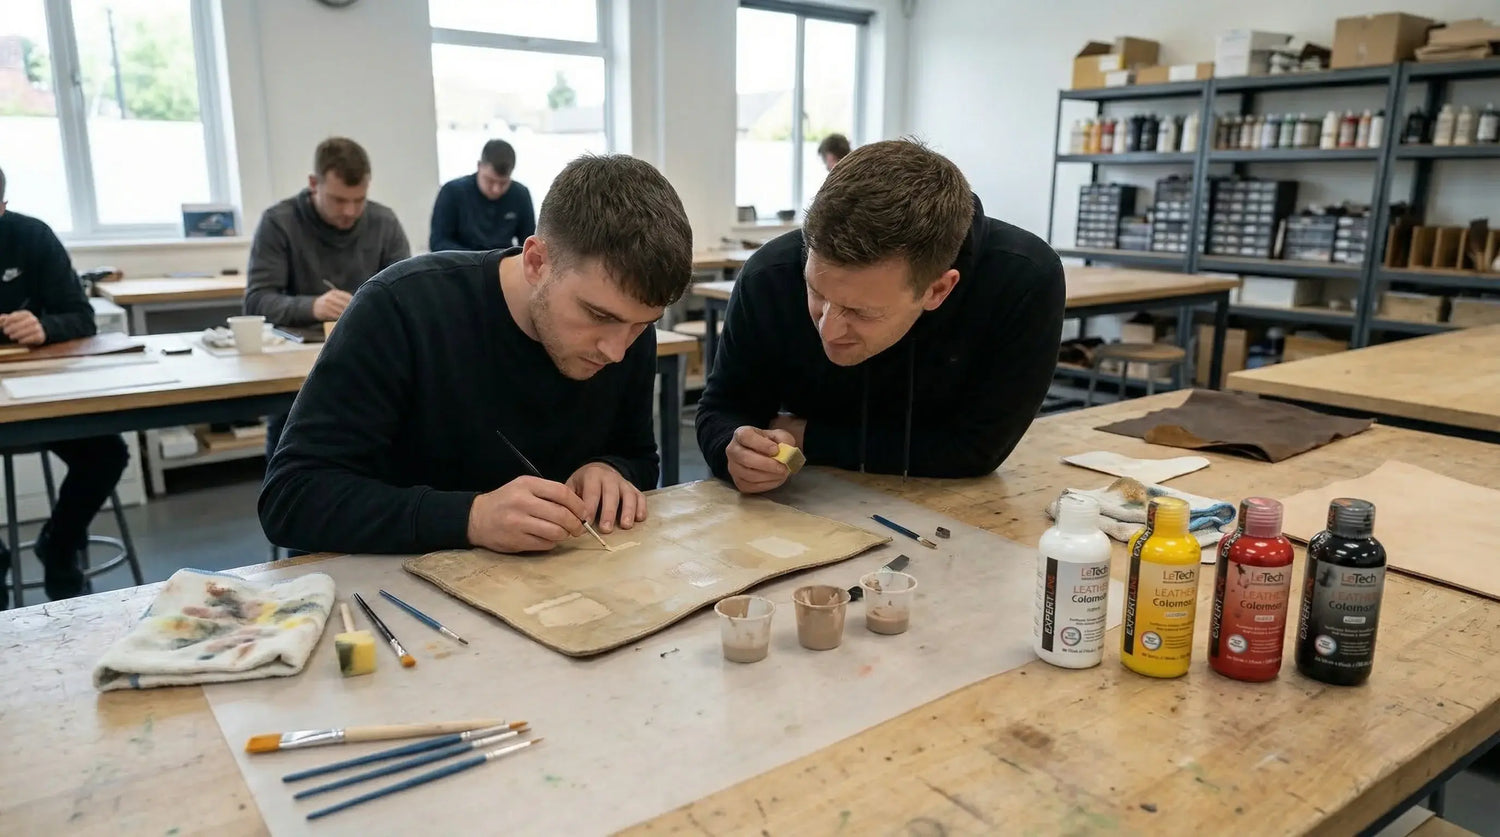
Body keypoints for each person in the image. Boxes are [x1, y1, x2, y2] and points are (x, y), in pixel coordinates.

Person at [259, 154, 694, 556]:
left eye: (643, 325)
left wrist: (611, 470)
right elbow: (292, 497)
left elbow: (637, 455)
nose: (617, 351)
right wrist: (471, 518)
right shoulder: (402, 308)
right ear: (536, 262)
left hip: (550, 593)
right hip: (397, 597)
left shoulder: (624, 328)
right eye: (597, 314)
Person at [695, 139, 1066, 494]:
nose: (829, 328)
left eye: (860, 311)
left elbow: (975, 449)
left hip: (946, 505)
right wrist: (733, 449)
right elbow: (723, 408)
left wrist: (808, 436)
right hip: (802, 503)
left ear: (938, 290)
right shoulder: (770, 274)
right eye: (817, 293)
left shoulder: (1023, 280)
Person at [0, 165, 128, 607]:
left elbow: (81, 317)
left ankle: (60, 544)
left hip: (37, 388)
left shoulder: (31, 237)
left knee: (107, 452)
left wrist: (44, 327)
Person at [244, 137, 411, 460]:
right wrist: (312, 306)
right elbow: (257, 301)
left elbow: (410, 295)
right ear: (313, 184)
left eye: (359, 200)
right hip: (299, 365)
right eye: (338, 200)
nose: (349, 212)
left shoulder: (384, 223)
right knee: (294, 462)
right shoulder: (279, 223)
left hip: (370, 361)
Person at [429, 139, 536, 252]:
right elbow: (438, 243)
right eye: (490, 180)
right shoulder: (452, 192)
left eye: (503, 183)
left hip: (502, 264)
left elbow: (528, 242)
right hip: (462, 264)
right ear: (479, 166)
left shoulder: (520, 194)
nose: (496, 189)